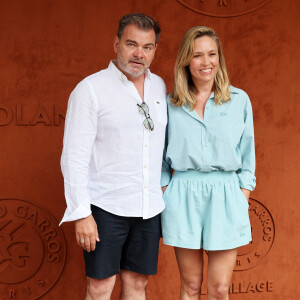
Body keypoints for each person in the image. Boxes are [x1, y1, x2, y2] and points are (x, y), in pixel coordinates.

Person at [60, 13, 167, 300]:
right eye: (131, 44)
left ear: (154, 50)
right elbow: (73, 157)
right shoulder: (90, 90)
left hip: (148, 208)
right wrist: (81, 213)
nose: (138, 54)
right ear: (116, 43)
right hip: (105, 208)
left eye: (147, 47)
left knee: (138, 284)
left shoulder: (160, 87)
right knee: (99, 287)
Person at [161, 26, 256, 300]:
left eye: (212, 54)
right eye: (197, 55)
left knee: (219, 289)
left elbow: (248, 154)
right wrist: (167, 189)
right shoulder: (170, 104)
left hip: (227, 194)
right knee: (190, 286)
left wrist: (242, 195)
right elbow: (158, 157)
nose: (206, 62)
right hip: (183, 195)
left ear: (219, 58)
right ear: (185, 61)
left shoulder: (239, 101)